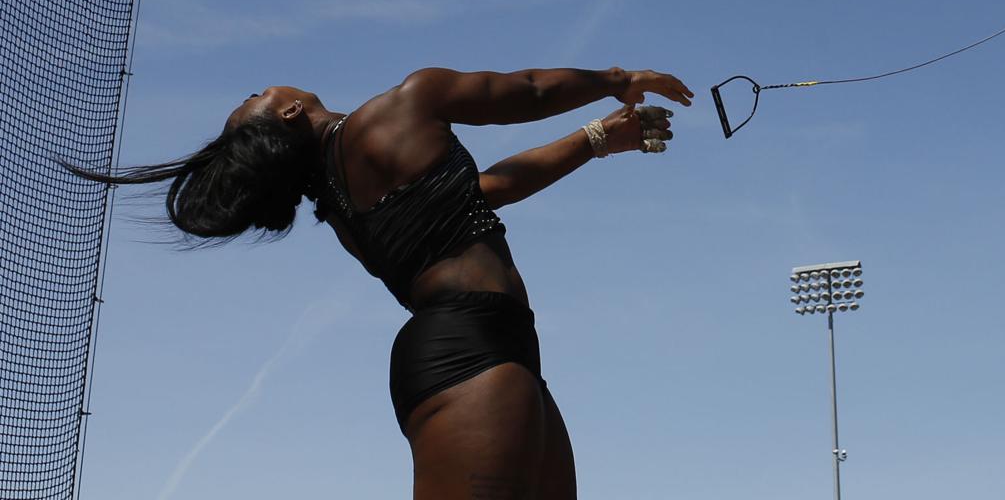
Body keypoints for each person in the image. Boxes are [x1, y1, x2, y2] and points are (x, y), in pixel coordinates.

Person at [71, 66, 693, 500]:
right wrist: (619, 81)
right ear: (289, 110)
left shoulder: (340, 206)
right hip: (466, 351)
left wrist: (594, 141)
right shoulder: (401, 108)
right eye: (259, 91)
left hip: (495, 348)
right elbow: (525, 90)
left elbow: (486, 192)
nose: (269, 85)